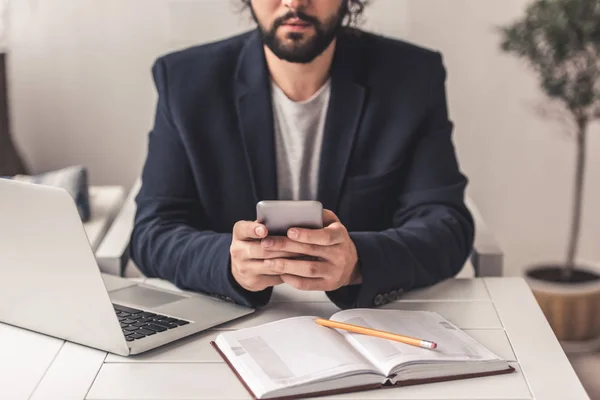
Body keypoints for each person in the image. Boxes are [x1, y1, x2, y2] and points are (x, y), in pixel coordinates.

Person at [129, 0, 475, 310]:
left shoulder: (411, 77)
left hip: (370, 325)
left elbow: (446, 226)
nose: (294, 3)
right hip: (229, 324)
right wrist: (229, 264)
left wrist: (358, 262)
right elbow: (153, 231)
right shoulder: (184, 81)